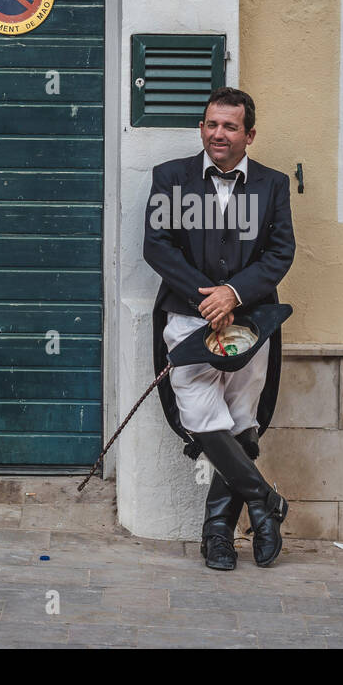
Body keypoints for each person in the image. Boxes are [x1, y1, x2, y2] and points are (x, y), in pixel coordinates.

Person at [142, 86, 296, 569]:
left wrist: (236, 294)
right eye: (211, 124)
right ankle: (265, 502)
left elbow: (280, 252)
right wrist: (210, 299)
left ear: (249, 134)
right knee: (203, 418)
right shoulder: (170, 178)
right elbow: (157, 246)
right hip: (187, 321)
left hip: (251, 322)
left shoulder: (272, 185)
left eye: (230, 126)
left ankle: (218, 536)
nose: (218, 134)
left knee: (241, 422)